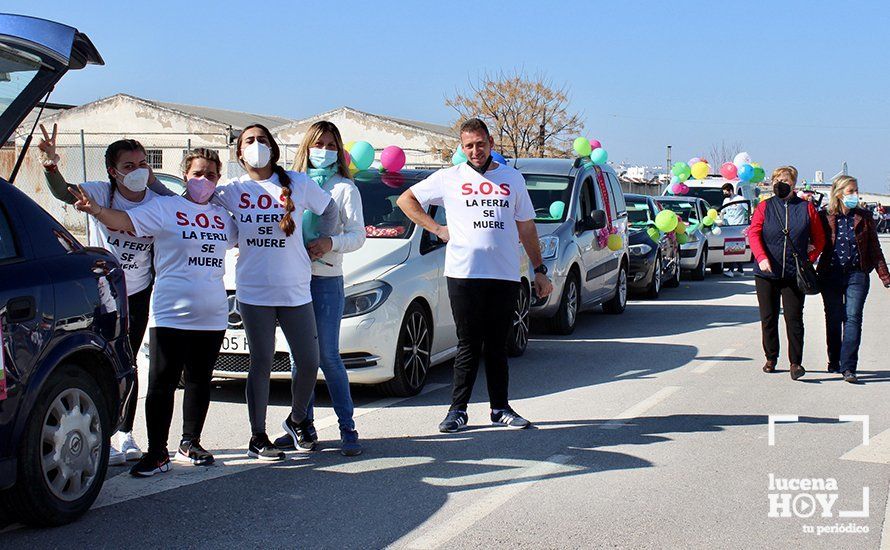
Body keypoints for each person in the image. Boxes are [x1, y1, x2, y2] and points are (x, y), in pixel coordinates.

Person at [71, 148, 237, 476]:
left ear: (218, 180)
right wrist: (97, 210)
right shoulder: (165, 207)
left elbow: (249, 238)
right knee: (161, 382)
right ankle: (157, 452)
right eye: (197, 173)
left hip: (212, 313)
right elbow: (124, 221)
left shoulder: (224, 218)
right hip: (170, 312)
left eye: (211, 175)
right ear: (184, 177)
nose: (204, 180)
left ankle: (191, 442)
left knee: (200, 380)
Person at [396, 118, 553, 433]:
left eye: (480, 144)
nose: (475, 150)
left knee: (497, 344)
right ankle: (457, 410)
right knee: (468, 342)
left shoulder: (512, 178)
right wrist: (437, 229)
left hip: (504, 274)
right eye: (469, 145)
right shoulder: (449, 178)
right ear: (462, 147)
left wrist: (539, 270)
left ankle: (500, 408)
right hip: (464, 275)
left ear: (491, 143)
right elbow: (406, 200)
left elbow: (526, 226)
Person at [37, 124, 176, 466]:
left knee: (128, 359)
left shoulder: (158, 201)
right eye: (128, 167)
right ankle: (99, 430)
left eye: (143, 164)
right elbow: (64, 193)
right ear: (113, 172)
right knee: (99, 359)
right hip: (102, 292)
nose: (138, 171)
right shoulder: (100, 192)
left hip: (138, 292)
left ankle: (125, 433)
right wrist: (51, 166)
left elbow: (184, 208)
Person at [215, 124, 337, 460]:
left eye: (262, 140)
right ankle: (258, 436)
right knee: (262, 362)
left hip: (296, 288)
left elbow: (329, 210)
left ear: (273, 147)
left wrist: (321, 244)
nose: (256, 146)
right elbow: (196, 203)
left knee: (310, 362)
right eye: (249, 141)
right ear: (239, 153)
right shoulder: (231, 189)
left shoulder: (297, 182)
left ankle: (297, 420)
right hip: (254, 291)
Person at [272, 121, 366, 456]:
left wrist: (331, 242)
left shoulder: (344, 189)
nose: (322, 151)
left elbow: (358, 235)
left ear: (338, 151)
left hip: (326, 280)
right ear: (306, 147)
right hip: (294, 280)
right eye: (317, 144)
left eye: (329, 145)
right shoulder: (292, 185)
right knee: (300, 358)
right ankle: (302, 424)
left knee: (327, 356)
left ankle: (347, 428)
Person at [749, 166, 825, 380]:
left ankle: (795, 362)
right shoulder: (765, 207)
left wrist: (807, 260)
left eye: (786, 180)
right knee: (769, 317)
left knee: (794, 318)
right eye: (777, 180)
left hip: (793, 274)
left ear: (794, 184)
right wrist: (761, 258)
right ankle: (771, 357)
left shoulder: (806, 208)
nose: (781, 183)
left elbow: (819, 239)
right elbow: (754, 234)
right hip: (766, 272)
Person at [818, 176, 890, 383]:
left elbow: (875, 249)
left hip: (857, 274)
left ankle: (849, 367)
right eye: (850, 191)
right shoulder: (825, 216)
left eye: (856, 190)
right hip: (830, 274)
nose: (854, 195)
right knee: (833, 318)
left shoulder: (864, 216)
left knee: (853, 318)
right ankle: (835, 360)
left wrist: (885, 276)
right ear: (839, 192)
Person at [721, 183, 747, 277]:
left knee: (732, 248)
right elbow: (723, 212)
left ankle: (731, 270)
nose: (725, 194)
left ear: (731, 190)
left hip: (739, 227)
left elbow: (748, 209)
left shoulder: (740, 199)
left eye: (726, 192)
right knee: (734, 248)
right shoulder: (726, 200)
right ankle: (740, 269)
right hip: (729, 227)